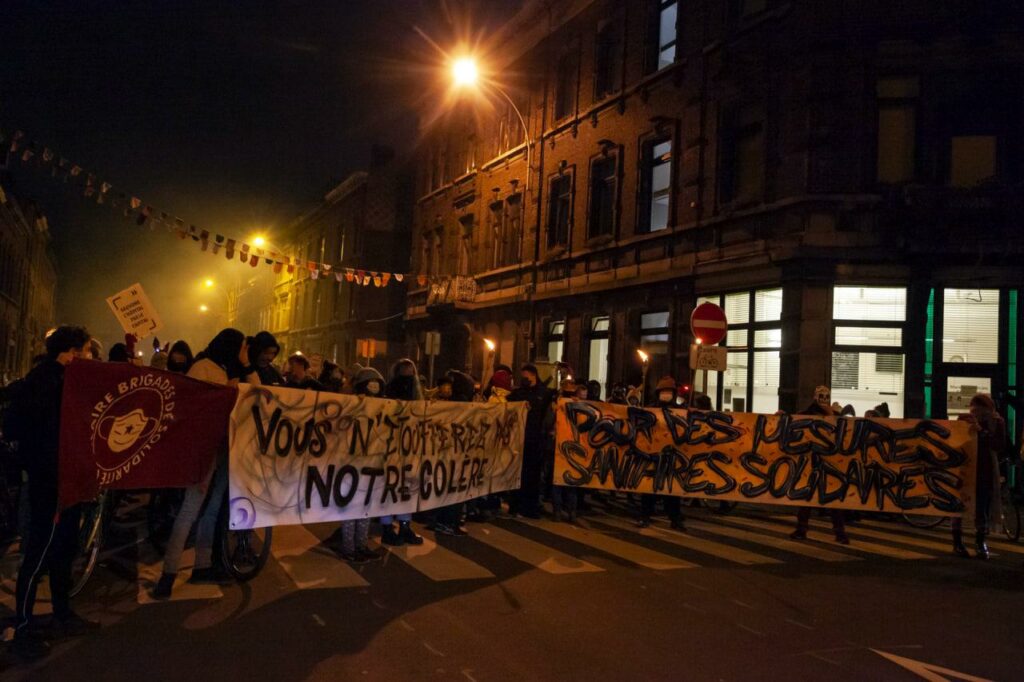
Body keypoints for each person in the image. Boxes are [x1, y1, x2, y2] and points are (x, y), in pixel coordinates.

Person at [8, 325, 98, 660]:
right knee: (41, 550)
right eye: (85, 350)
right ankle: (23, 628)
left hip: (65, 479)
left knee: (64, 548)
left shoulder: (56, 379)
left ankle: (62, 614)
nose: (87, 356)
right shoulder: (48, 383)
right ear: (71, 352)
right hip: (51, 480)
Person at [151, 329, 260, 600]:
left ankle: (201, 565)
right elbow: (193, 407)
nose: (243, 352)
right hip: (204, 449)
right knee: (191, 508)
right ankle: (169, 573)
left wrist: (246, 365)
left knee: (210, 508)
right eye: (241, 347)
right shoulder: (203, 368)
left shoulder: (224, 369)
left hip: (225, 447)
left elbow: (257, 392)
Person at [335, 366, 389, 563]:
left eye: (376, 383)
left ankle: (361, 545)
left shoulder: (384, 406)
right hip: (350, 465)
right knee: (351, 508)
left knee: (366, 508)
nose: (373, 386)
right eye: (369, 383)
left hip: (372, 464)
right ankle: (349, 548)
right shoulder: (349, 404)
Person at [789, 386, 849, 544]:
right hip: (816, 463)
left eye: (825, 396)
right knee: (813, 498)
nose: (824, 399)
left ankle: (835, 532)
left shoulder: (830, 415)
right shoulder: (808, 414)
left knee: (815, 498)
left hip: (823, 463)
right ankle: (837, 532)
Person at [951, 393, 1005, 559]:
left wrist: (981, 430)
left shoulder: (997, 422)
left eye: (981, 411)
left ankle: (980, 541)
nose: (977, 414)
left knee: (982, 507)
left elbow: (998, 445)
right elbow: (955, 441)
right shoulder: (964, 419)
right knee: (959, 506)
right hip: (965, 468)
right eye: (974, 410)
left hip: (985, 469)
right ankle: (957, 542)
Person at [378, 359, 424, 545]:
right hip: (392, 447)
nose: (408, 371)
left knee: (407, 488)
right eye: (405, 368)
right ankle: (388, 528)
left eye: (410, 368)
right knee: (391, 487)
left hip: (410, 447)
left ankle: (404, 526)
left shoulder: (416, 391)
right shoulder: (391, 389)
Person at [638, 376, 685, 530]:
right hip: (653, 456)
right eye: (663, 391)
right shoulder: (651, 409)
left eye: (668, 391)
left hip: (672, 457)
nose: (666, 394)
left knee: (672, 491)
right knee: (649, 489)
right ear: (658, 393)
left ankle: (675, 519)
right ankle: (645, 516)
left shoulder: (680, 411)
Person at [432, 370, 476, 535]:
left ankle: (443, 521)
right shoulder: (462, 401)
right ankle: (450, 522)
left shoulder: (450, 402)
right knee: (456, 491)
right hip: (457, 454)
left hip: (448, 454)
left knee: (448, 490)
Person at [508, 363, 554, 518]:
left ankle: (531, 507)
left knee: (533, 475)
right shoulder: (519, 393)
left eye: (525, 376)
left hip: (536, 440)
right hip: (519, 439)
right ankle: (516, 506)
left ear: (533, 375)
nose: (523, 379)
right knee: (518, 474)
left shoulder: (545, 393)